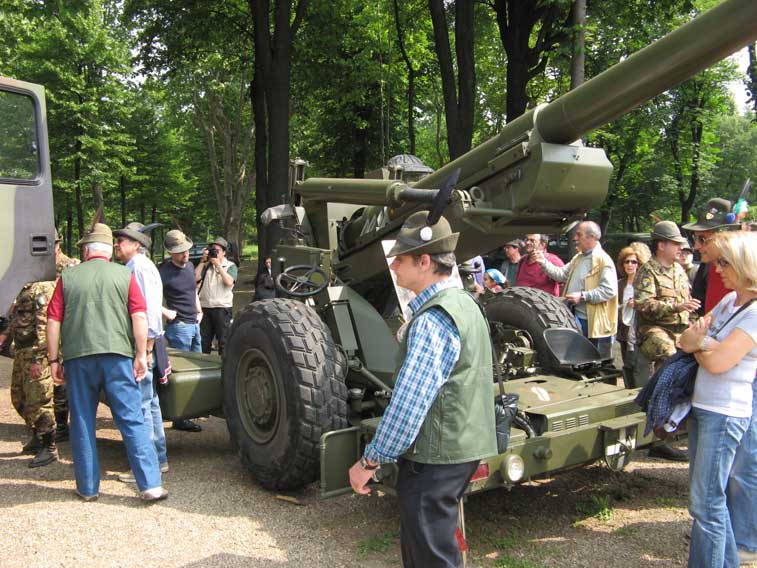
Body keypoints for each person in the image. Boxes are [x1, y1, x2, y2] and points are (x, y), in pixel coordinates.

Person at [348, 211, 497, 568]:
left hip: (434, 457)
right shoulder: (465, 304)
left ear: (425, 261)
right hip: (458, 448)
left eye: (400, 258)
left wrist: (370, 460)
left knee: (430, 555)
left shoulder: (434, 318)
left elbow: (409, 405)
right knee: (434, 546)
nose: (393, 265)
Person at [46, 223, 167, 502]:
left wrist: (53, 359)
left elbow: (53, 321)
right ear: (108, 251)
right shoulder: (124, 275)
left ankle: (88, 488)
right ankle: (150, 485)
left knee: (83, 420)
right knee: (132, 418)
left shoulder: (69, 276)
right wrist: (140, 354)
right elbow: (140, 317)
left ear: (87, 250)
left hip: (78, 359)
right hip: (118, 357)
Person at [677, 231, 757, 568]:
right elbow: (684, 340)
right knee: (708, 502)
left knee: (706, 503)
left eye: (724, 262)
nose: (717, 268)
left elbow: (720, 362)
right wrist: (702, 345)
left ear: (745, 263)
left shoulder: (753, 312)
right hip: (706, 408)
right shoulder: (729, 301)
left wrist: (702, 344)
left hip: (724, 414)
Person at [633, 221, 699, 462]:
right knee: (671, 359)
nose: (681, 248)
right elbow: (644, 306)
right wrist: (675, 307)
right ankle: (658, 435)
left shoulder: (679, 270)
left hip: (681, 329)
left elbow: (688, 302)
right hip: (655, 331)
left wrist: (696, 320)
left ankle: (679, 423)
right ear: (661, 245)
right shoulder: (647, 271)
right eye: (676, 243)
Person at [113, 222, 169, 481]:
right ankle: (158, 459)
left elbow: (147, 313)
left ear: (137, 244)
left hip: (144, 346)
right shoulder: (138, 267)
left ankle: (148, 465)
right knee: (151, 403)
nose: (117, 244)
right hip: (147, 345)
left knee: (142, 405)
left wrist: (143, 351)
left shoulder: (138, 268)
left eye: (122, 240)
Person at [533, 221, 617, 359]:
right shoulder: (579, 257)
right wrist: (543, 262)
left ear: (592, 237)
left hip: (594, 325)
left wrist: (582, 296)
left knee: (596, 362)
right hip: (576, 317)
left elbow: (609, 291)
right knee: (579, 359)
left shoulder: (603, 261)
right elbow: (560, 275)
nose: (574, 238)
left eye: (579, 235)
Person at [159, 229, 204, 432]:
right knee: (182, 374)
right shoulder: (163, 272)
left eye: (186, 250)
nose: (185, 254)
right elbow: (147, 296)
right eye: (180, 252)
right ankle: (180, 417)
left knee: (196, 369)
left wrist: (199, 308)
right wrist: (166, 312)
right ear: (170, 253)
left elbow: (192, 289)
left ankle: (194, 409)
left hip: (195, 323)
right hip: (179, 328)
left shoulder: (190, 266)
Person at [683, 198, 741, 316]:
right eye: (695, 239)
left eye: (702, 239)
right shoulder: (708, 265)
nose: (696, 246)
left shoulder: (746, 270)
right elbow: (700, 304)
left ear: (724, 238)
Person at [52, 229, 79, 443]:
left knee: (60, 381)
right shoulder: (37, 269)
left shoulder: (69, 266)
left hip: (63, 329)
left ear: (58, 244)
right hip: (46, 327)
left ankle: (62, 424)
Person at [195, 237, 237, 355]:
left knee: (224, 341)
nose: (214, 252)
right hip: (205, 308)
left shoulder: (230, 266)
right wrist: (202, 261)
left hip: (222, 308)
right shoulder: (206, 265)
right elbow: (194, 279)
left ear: (224, 252)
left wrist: (219, 266)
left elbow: (229, 282)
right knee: (203, 341)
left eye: (217, 250)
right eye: (212, 249)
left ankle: (223, 369)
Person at [616, 245, 648, 386]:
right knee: (627, 364)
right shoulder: (619, 284)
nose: (630, 265)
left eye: (633, 262)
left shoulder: (644, 284)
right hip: (623, 330)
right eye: (626, 262)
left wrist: (638, 303)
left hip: (638, 331)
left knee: (638, 365)